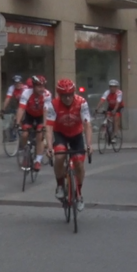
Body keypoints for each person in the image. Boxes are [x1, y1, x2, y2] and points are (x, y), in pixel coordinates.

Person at [44, 79, 93, 211]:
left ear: (74, 93)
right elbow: (48, 127)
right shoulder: (53, 105)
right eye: (64, 95)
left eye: (70, 94)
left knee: (79, 164)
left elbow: (87, 125)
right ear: (59, 95)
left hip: (76, 135)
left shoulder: (81, 103)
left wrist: (89, 145)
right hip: (61, 134)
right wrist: (49, 147)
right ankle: (60, 185)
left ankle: (79, 193)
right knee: (59, 157)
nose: (67, 98)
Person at [15, 75, 51, 171]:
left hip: (40, 117)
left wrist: (44, 125)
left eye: (43, 86)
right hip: (29, 116)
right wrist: (17, 122)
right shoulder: (26, 93)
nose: (41, 89)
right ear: (34, 87)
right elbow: (21, 108)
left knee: (40, 136)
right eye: (39, 86)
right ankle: (25, 153)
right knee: (24, 134)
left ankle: (38, 161)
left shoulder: (47, 94)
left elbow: (46, 111)